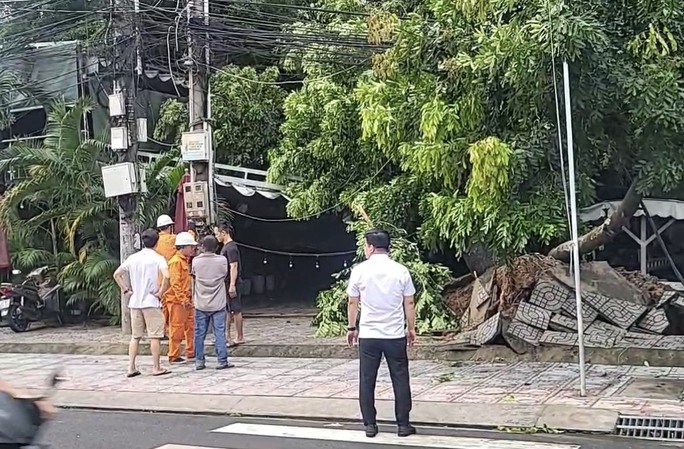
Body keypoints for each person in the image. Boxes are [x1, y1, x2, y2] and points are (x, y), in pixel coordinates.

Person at [346, 229, 417, 439]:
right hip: (394, 334)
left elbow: (352, 301)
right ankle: (403, 425)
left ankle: (370, 425)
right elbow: (409, 302)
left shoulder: (359, 270)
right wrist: (411, 328)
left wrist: (352, 328)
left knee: (367, 379)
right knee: (400, 377)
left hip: (369, 334)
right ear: (388, 247)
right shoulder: (401, 270)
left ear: (369, 247)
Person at [113, 228, 171, 377]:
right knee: (155, 336)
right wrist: (160, 292)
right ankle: (156, 367)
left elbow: (117, 274)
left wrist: (126, 290)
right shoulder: (158, 258)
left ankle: (131, 367)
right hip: (151, 301)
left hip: (135, 302)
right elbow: (167, 276)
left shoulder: (133, 258)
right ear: (157, 242)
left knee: (135, 336)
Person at [192, 235, 234, 370]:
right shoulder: (222, 260)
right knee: (219, 332)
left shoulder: (196, 261)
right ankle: (222, 361)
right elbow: (224, 275)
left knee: (199, 333)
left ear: (202, 247)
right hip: (218, 303)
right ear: (217, 247)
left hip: (201, 303)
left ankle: (199, 361)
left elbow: (194, 274)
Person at [166, 232, 197, 364]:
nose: (192, 249)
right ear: (183, 247)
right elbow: (175, 283)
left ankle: (191, 351)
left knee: (190, 327)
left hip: (186, 300)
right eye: (191, 247)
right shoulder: (175, 262)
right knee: (177, 328)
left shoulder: (184, 261)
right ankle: (174, 355)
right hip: (177, 301)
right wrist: (183, 299)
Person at [215, 223, 244, 345]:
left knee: (235, 309)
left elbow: (234, 266)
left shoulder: (231, 248)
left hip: (232, 282)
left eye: (217, 234)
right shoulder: (225, 247)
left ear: (223, 233)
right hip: (226, 282)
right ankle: (227, 336)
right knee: (228, 309)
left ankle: (239, 336)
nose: (216, 237)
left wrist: (232, 284)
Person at [155, 214, 176, 339]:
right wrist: (191, 229)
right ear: (169, 227)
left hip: (160, 279)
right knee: (173, 307)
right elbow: (187, 240)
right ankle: (173, 331)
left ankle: (162, 331)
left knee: (163, 307)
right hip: (172, 278)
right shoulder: (173, 239)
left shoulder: (156, 240)